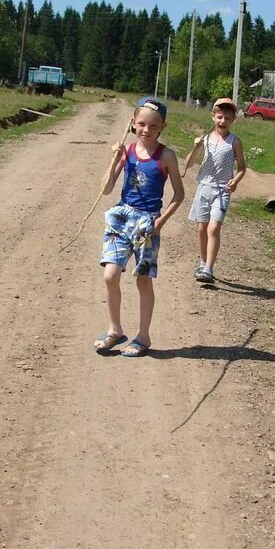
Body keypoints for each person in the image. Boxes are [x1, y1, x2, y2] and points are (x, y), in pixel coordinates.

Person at [93, 97, 184, 357]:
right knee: (110, 275)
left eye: (153, 126)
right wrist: (113, 160)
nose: (146, 130)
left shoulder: (166, 155)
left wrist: (160, 222)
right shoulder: (127, 152)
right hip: (122, 218)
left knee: (142, 280)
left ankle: (143, 336)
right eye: (141, 124)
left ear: (162, 126)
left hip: (148, 222)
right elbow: (107, 189)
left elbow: (179, 194)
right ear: (133, 123)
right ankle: (114, 330)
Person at [182, 97, 246, 283]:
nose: (222, 121)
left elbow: (242, 167)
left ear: (233, 120)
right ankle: (202, 262)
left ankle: (208, 269)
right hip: (204, 187)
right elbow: (189, 163)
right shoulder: (206, 139)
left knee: (214, 227)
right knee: (202, 228)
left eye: (227, 118)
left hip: (222, 190)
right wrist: (196, 147)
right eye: (219, 117)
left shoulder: (235, 142)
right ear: (213, 117)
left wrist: (235, 181)